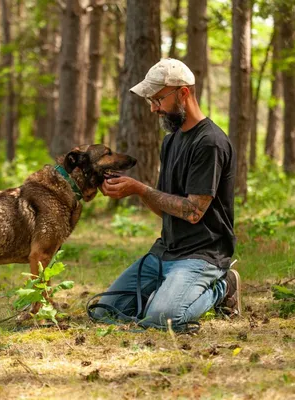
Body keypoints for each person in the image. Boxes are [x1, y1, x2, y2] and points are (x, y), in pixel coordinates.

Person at [93, 58, 240, 331]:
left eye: (158, 99)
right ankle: (168, 292)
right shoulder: (171, 140)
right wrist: (133, 191)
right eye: (151, 101)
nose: (153, 108)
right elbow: (166, 208)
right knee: (104, 312)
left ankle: (223, 285)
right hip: (165, 253)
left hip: (201, 255)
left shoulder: (210, 142)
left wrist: (140, 188)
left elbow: (193, 211)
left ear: (183, 92)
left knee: (162, 319)